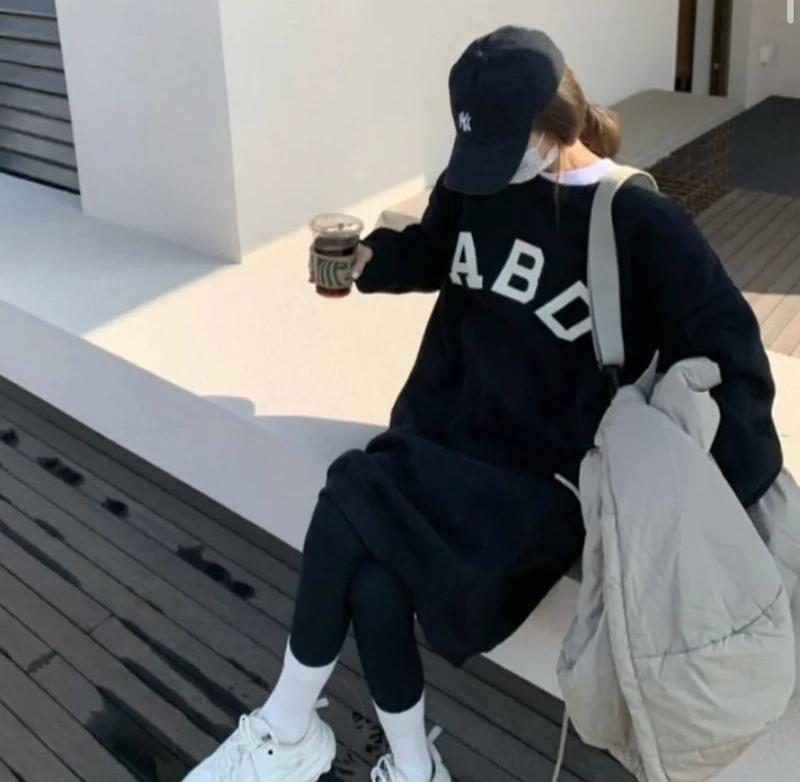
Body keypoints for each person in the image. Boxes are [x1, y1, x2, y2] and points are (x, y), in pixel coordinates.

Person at [184, 25, 783, 782]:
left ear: (552, 124)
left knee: (351, 491)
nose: (483, 168)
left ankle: (287, 728)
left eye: (502, 144)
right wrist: (371, 263)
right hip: (444, 440)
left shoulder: (640, 225)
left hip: (534, 489)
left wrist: (719, 500)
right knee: (372, 581)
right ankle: (414, 769)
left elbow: (735, 362)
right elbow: (436, 250)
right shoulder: (480, 180)